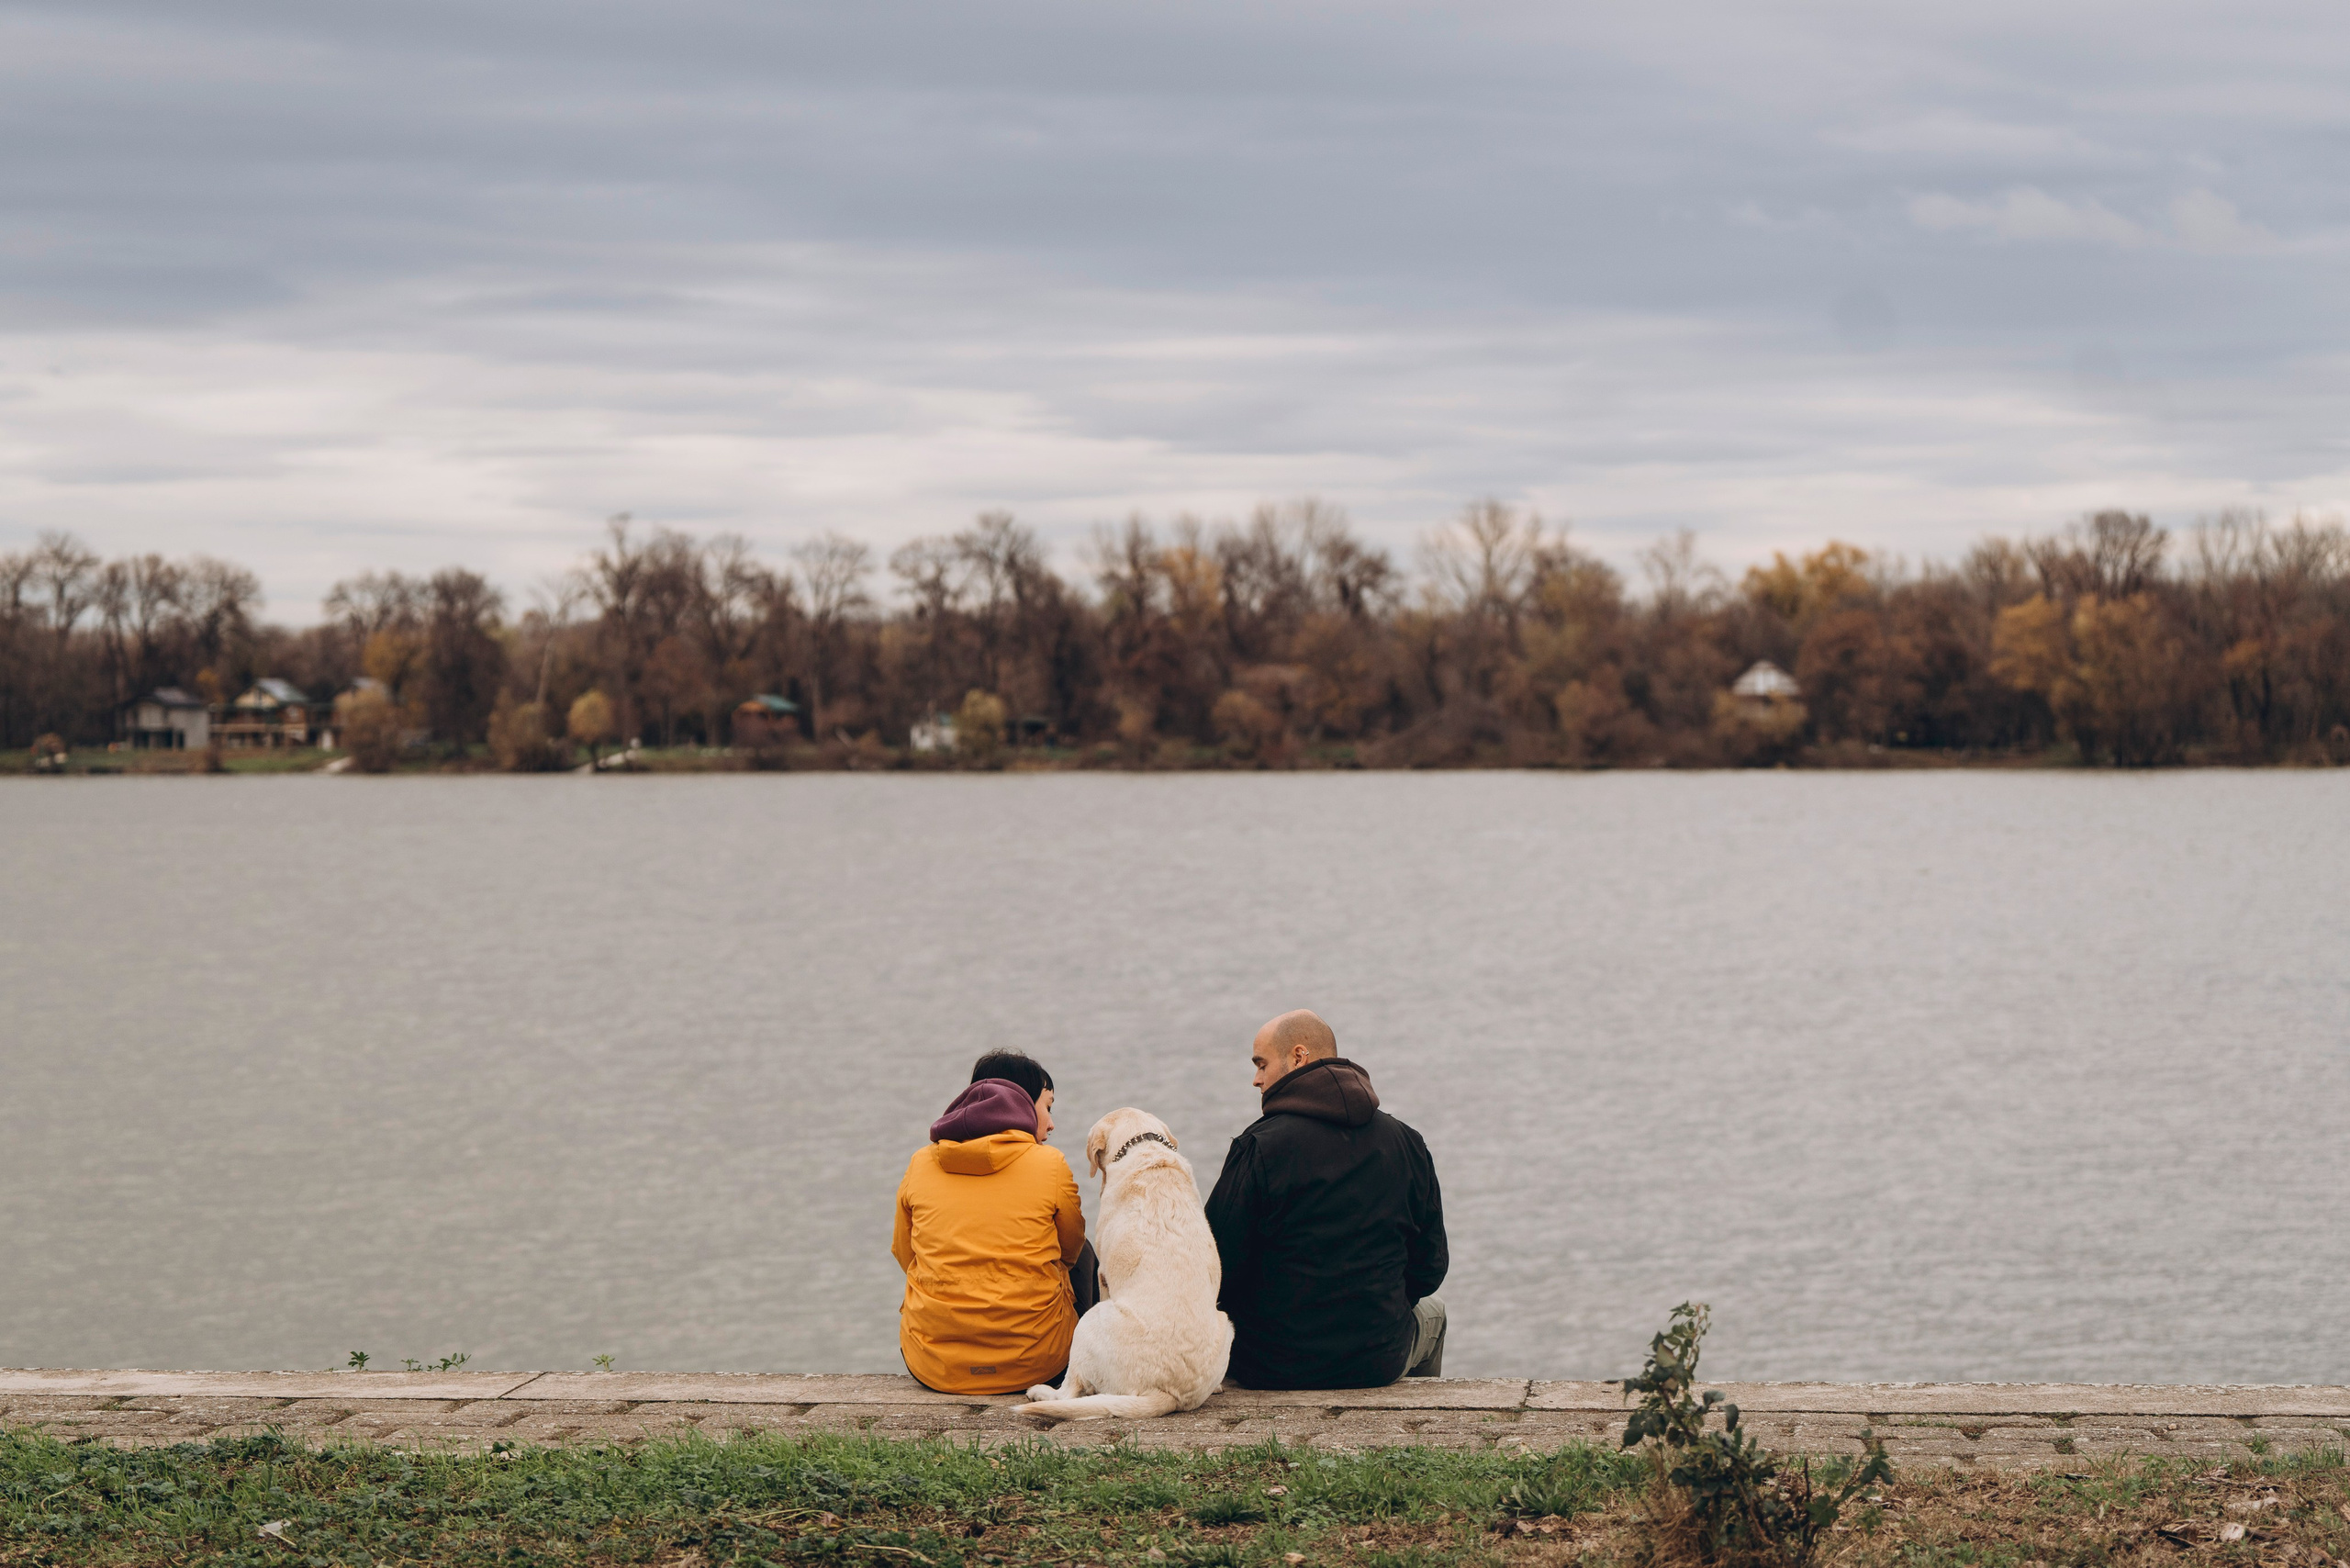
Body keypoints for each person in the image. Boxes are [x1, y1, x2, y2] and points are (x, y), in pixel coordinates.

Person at [1204, 1010, 1448, 1389]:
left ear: (1299, 1056)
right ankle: (1416, 1427)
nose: (1256, 1079)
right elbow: (1430, 1267)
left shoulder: (1258, 1148)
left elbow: (1215, 1268)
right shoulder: (1406, 1141)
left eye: (1262, 1064)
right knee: (1434, 1313)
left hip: (1271, 1363)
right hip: (1377, 1358)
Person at [892, 1050, 1099, 1394]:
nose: (1051, 1124)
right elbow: (1070, 1250)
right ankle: (1088, 1372)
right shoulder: (1050, 1164)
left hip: (933, 1365)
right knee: (1086, 1252)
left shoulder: (920, 1163)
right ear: (1018, 1101)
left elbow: (904, 1252)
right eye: (1047, 1107)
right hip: (1040, 1364)